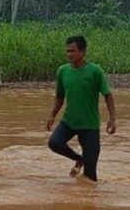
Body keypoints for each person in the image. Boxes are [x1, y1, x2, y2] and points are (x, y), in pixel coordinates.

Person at [47, 36, 117, 182]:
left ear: (83, 51)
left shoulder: (95, 71)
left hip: (90, 125)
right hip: (69, 121)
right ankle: (79, 159)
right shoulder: (63, 71)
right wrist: (52, 115)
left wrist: (112, 119)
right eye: (67, 51)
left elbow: (108, 95)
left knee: (90, 176)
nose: (69, 54)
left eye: (73, 51)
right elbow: (60, 96)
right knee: (54, 142)